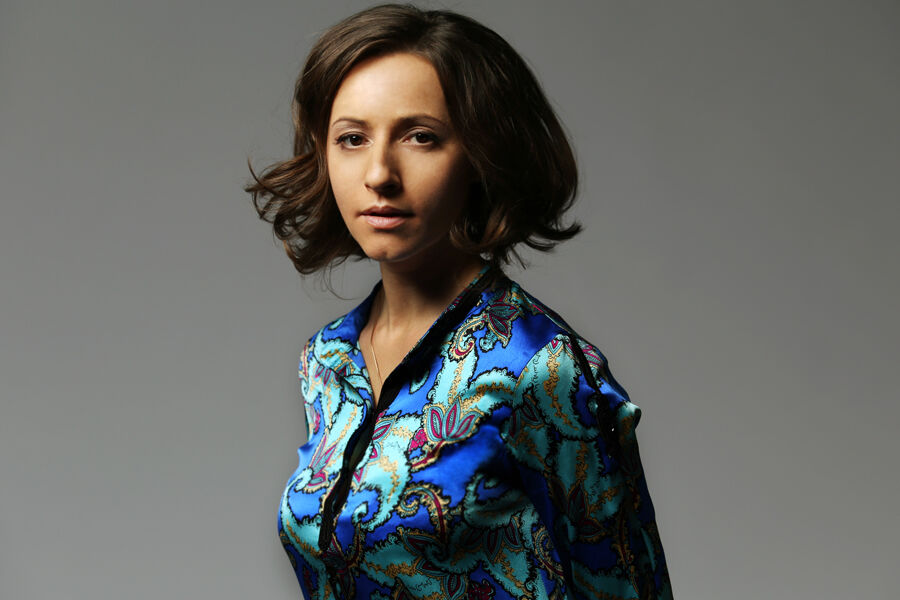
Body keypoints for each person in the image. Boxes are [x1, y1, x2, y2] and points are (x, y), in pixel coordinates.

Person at [245, 4, 672, 599]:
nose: (379, 173)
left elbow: (626, 584)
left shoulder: (539, 368)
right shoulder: (328, 361)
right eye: (352, 139)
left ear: (479, 156)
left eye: (420, 137)